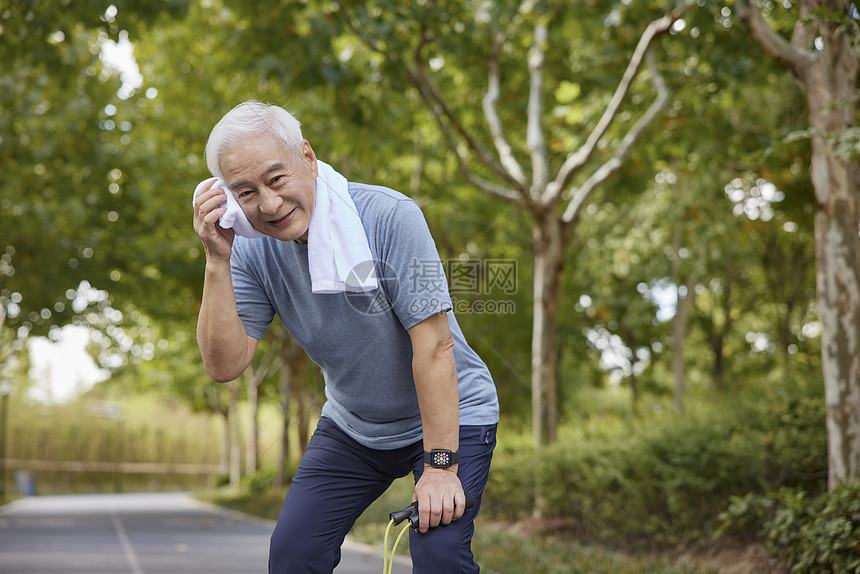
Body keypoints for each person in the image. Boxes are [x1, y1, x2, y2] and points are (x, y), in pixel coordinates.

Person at [192, 101, 499, 574]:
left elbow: (435, 347)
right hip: (356, 425)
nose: (269, 205)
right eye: (246, 192)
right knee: (294, 556)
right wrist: (216, 261)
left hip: (449, 417)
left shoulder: (389, 216)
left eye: (277, 179)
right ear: (227, 199)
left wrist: (440, 467)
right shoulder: (249, 251)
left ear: (308, 159)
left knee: (439, 556)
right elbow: (224, 365)